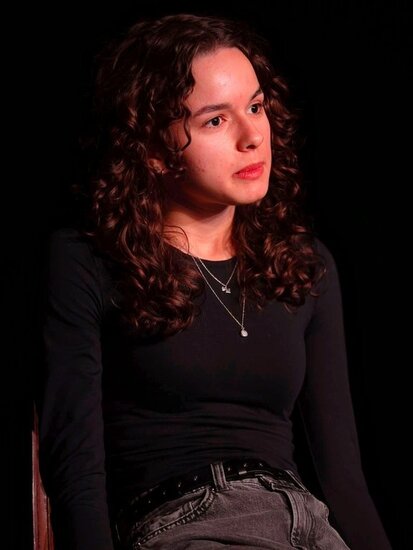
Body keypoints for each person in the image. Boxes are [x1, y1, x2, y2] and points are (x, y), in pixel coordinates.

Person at [37, 13, 392, 550]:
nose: (253, 137)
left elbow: (342, 476)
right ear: (152, 150)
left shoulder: (303, 264)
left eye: (255, 107)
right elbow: (75, 470)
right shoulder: (88, 260)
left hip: (307, 526)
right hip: (189, 521)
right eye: (215, 121)